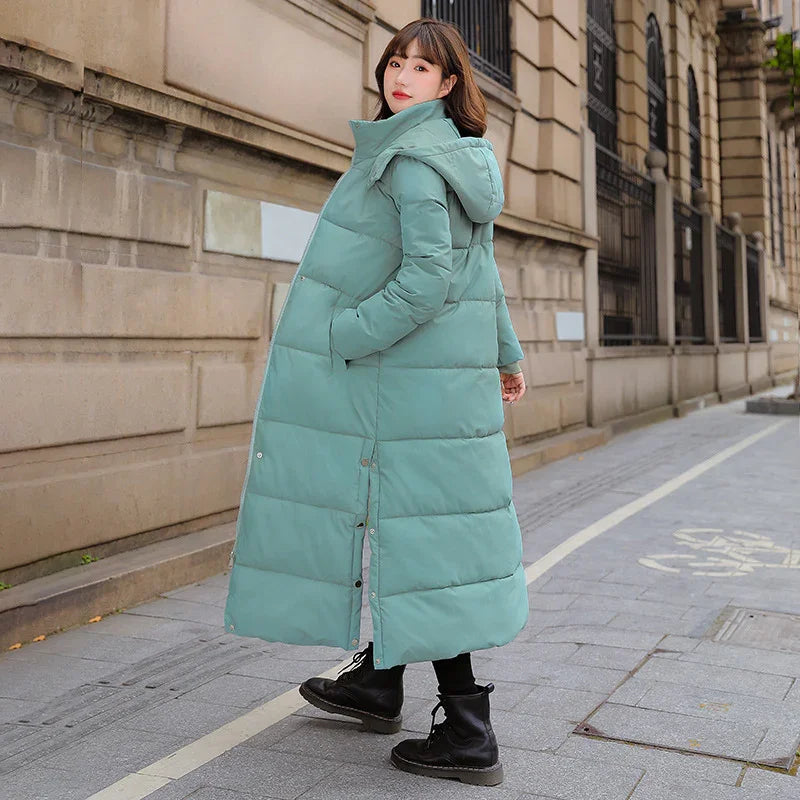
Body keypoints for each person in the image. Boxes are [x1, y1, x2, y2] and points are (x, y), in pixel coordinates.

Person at [224, 17, 528, 787]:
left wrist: (347, 332)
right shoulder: (459, 156)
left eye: (423, 69)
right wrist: (506, 352)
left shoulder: (413, 162)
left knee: (419, 542)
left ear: (449, 84)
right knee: (420, 534)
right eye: (396, 62)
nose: (402, 76)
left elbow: (428, 280)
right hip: (437, 385)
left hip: (404, 385)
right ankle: (379, 680)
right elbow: (478, 270)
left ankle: (467, 728)